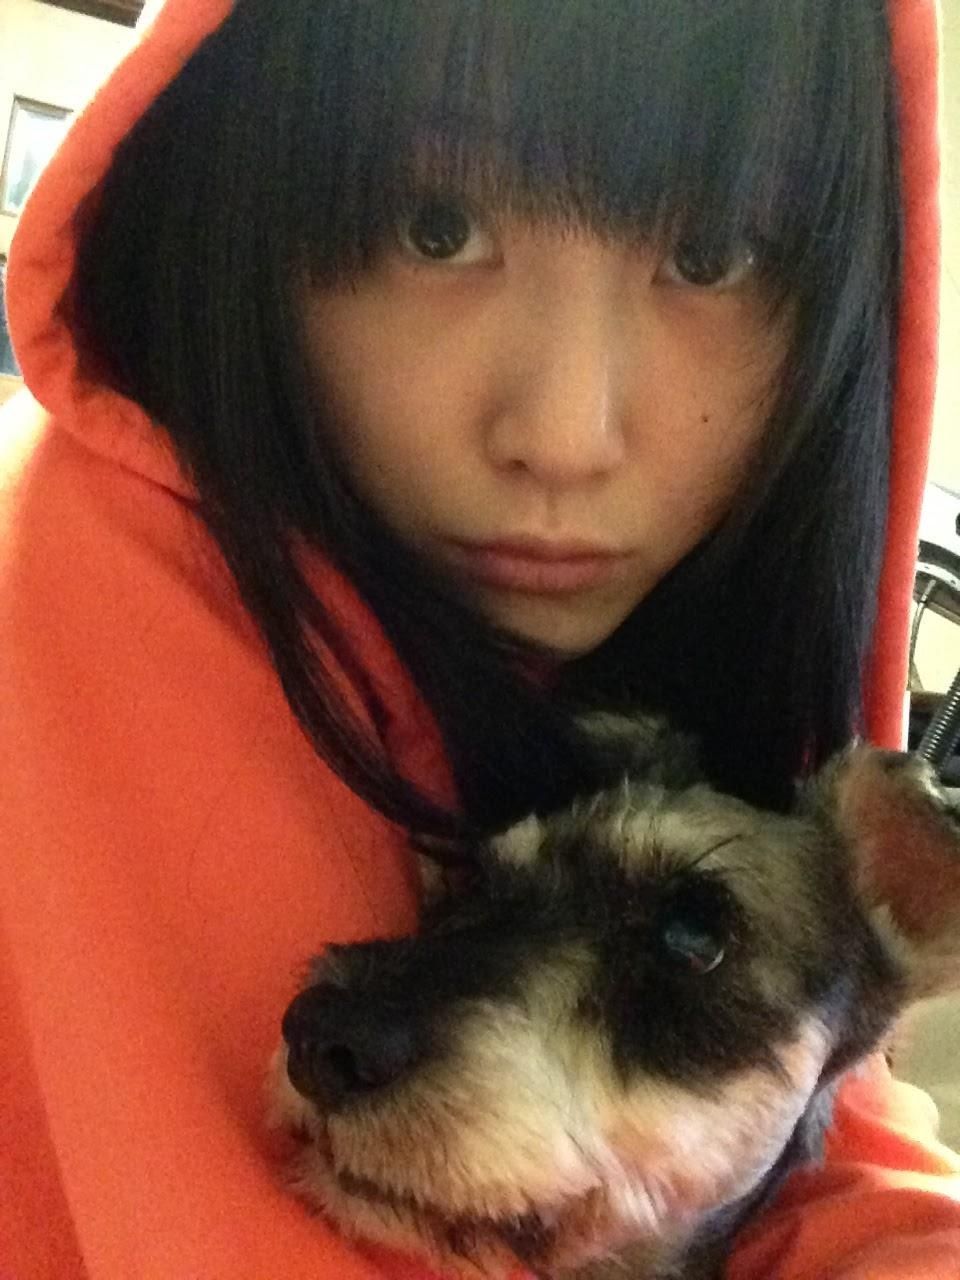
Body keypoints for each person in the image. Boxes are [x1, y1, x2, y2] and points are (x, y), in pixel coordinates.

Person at [0, 0, 957, 1276]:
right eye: (435, 224)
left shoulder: (592, 643)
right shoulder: (90, 579)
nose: (564, 434)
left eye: (711, 252)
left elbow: (833, 1126)